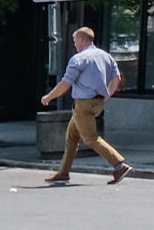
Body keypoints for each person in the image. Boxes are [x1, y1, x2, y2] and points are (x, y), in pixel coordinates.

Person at [39, 27, 131, 185]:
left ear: (81, 40)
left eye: (75, 41)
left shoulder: (78, 59)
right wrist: (106, 96)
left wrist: (49, 97)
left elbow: (65, 83)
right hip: (98, 103)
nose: (74, 44)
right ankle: (63, 173)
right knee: (72, 136)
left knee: (90, 138)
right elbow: (116, 79)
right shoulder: (106, 56)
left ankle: (119, 165)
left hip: (83, 104)